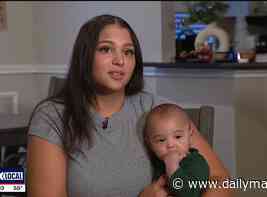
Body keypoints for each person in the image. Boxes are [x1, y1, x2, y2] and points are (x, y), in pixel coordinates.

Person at [26, 14, 232, 197]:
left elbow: (221, 181)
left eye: (128, 52)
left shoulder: (158, 111)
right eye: (106, 49)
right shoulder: (53, 117)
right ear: (85, 56)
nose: (120, 60)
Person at [144, 103, 209, 197]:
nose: (170, 145)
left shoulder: (196, 163)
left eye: (178, 137)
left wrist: (173, 168)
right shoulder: (157, 162)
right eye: (161, 140)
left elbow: (190, 194)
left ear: (190, 134)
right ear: (150, 143)